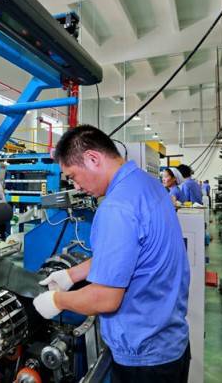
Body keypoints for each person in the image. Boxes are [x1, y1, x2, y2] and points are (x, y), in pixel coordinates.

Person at [32, 125, 190, 383]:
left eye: (73, 176)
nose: (76, 186)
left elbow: (106, 299)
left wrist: (57, 301)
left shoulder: (116, 207)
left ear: (93, 159)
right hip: (170, 342)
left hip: (144, 359)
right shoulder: (147, 184)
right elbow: (127, 254)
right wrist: (70, 275)